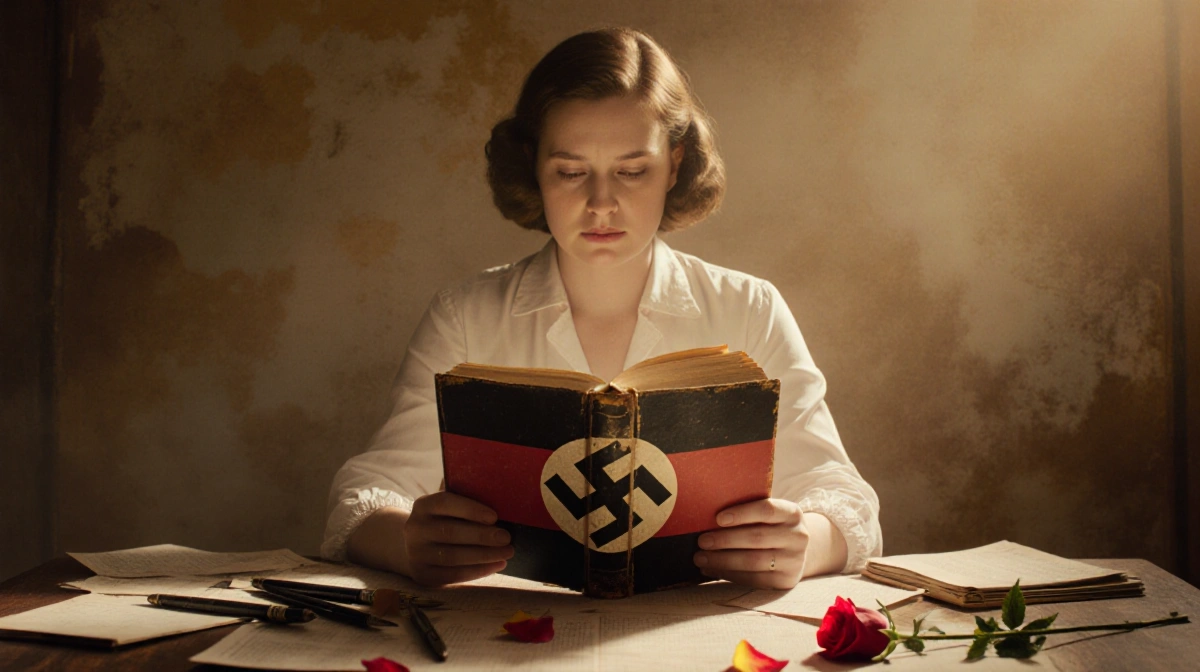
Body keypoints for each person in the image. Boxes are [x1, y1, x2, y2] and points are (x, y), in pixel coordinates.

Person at [322, 27, 882, 591]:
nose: (601, 203)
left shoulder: (749, 310)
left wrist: (804, 543)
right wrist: (406, 541)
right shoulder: (464, 317)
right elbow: (364, 497)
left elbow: (845, 499)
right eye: (570, 172)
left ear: (675, 163)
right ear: (533, 165)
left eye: (632, 171)